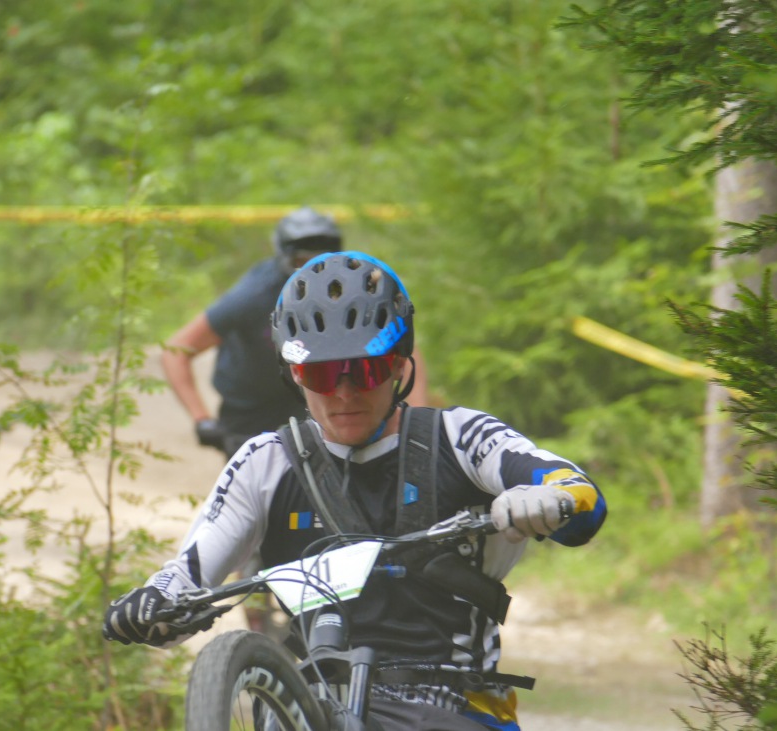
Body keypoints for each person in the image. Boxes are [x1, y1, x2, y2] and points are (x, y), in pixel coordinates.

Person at [106, 252, 608, 730]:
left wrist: (547, 499)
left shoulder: (459, 437)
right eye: (321, 374)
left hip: (452, 701)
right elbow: (188, 574)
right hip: (315, 695)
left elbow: (578, 493)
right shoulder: (265, 461)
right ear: (294, 375)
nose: (344, 393)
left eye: (364, 369)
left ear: (397, 366)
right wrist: (153, 604)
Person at [160, 207, 428, 634]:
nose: (310, 263)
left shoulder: (358, 288)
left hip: (322, 407)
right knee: (257, 524)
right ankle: (261, 636)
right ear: (281, 255)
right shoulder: (253, 294)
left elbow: (398, 348)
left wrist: (417, 416)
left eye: (322, 253)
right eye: (300, 255)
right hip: (249, 419)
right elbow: (178, 349)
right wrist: (200, 417)